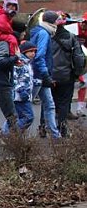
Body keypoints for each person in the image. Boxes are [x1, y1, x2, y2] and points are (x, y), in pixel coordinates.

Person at [49, 12, 85, 136]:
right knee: (64, 103)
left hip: (50, 76)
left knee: (49, 103)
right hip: (66, 75)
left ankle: (45, 128)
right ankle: (62, 129)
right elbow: (79, 57)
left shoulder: (46, 37)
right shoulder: (71, 37)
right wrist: (77, 73)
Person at [30, 10, 61, 139]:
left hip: (40, 75)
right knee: (24, 105)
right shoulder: (44, 34)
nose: (57, 24)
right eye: (56, 21)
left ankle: (55, 134)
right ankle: (7, 132)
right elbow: (39, 56)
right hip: (39, 76)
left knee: (49, 104)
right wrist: (46, 75)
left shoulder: (39, 31)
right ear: (51, 22)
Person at [4, 41, 36, 133]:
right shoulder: (19, 63)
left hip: (24, 95)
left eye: (34, 51)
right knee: (28, 117)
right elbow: (15, 78)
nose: (33, 54)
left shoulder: (27, 63)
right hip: (20, 96)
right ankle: (10, 134)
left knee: (16, 116)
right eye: (30, 51)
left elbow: (27, 78)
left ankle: (7, 133)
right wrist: (21, 90)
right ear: (24, 52)